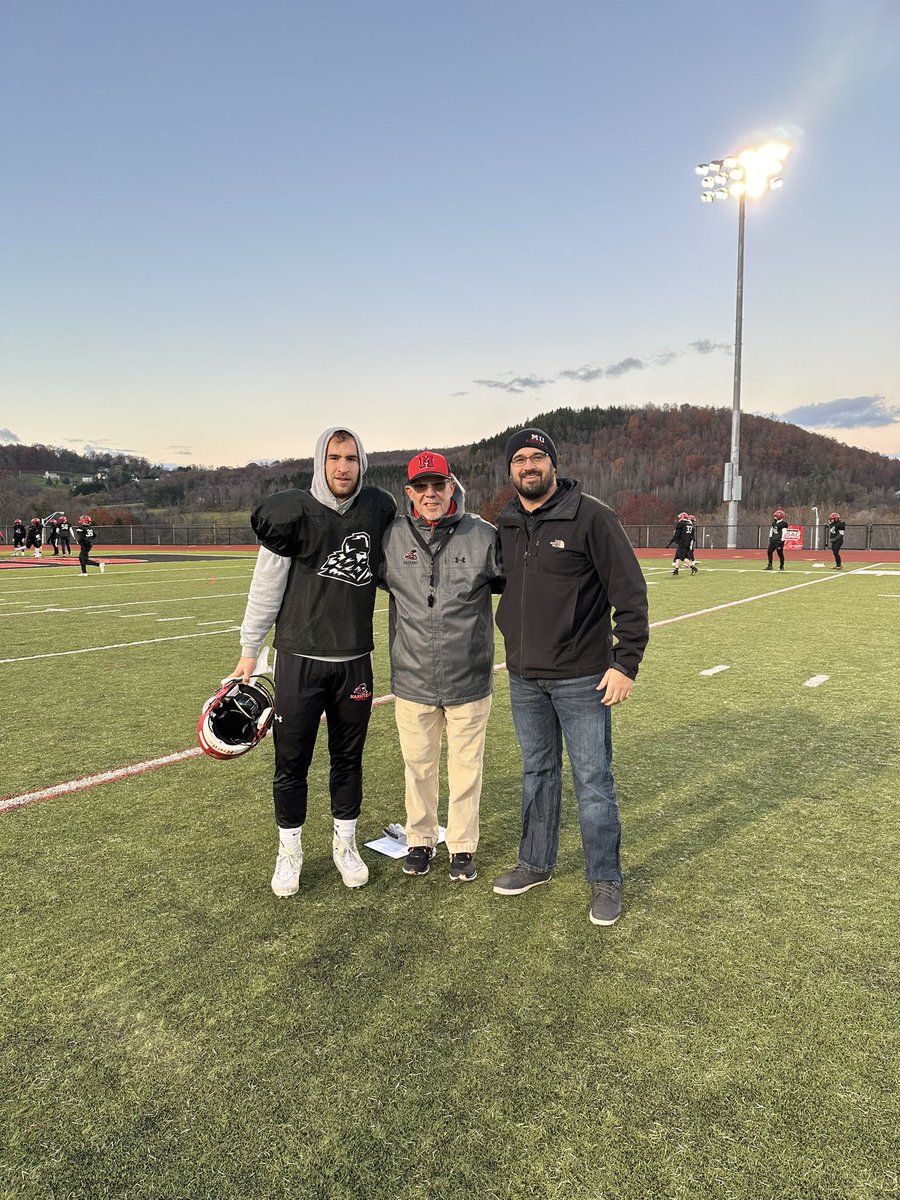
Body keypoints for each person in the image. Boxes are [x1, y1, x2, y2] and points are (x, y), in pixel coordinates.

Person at [491, 429, 649, 927]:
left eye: (538, 457)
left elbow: (630, 592)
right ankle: (535, 863)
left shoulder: (593, 517)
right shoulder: (507, 522)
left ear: (553, 464)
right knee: (537, 773)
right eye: (520, 459)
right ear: (511, 470)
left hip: (582, 677)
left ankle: (605, 879)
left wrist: (625, 663)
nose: (529, 465)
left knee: (593, 780)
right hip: (524, 677)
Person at [230, 427, 396, 898]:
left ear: (363, 463)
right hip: (299, 659)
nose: (343, 467)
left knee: (348, 759)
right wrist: (249, 650)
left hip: (354, 659)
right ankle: (290, 850)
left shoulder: (377, 508)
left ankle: (345, 843)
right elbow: (266, 586)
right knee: (291, 761)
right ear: (320, 462)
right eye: (334, 458)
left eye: (351, 458)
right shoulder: (293, 513)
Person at [380, 451, 503, 882]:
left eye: (438, 485)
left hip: (468, 675)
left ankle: (463, 846)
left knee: (467, 769)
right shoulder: (391, 537)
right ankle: (420, 838)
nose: (430, 494)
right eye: (421, 487)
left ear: (452, 487)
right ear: (409, 492)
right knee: (418, 766)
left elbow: (516, 585)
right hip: (413, 675)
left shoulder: (483, 535)